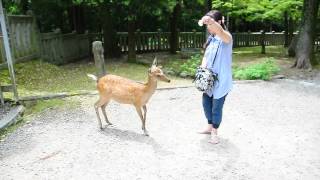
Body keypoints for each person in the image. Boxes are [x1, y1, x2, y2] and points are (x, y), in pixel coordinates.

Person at [198, 10, 233, 144]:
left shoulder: (226, 37)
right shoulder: (211, 39)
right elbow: (206, 57)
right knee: (206, 103)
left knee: (216, 107)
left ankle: (214, 132)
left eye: (210, 24)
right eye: (207, 25)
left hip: (222, 80)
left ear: (219, 23)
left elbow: (221, 33)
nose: (208, 27)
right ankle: (209, 126)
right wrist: (202, 70)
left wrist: (212, 22)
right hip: (208, 79)